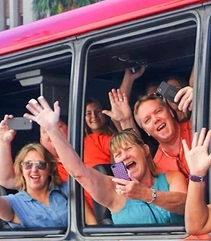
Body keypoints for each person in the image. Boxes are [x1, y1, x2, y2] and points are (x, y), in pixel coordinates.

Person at [25, 97, 187, 226]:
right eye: (118, 154)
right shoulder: (113, 189)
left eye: (128, 149)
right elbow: (79, 172)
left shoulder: (172, 178)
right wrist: (53, 130)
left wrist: (145, 194)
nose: (124, 156)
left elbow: (187, 206)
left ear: (145, 150)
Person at [107, 81, 211, 177]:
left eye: (158, 111)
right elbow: (127, 176)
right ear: (146, 131)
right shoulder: (156, 164)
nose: (155, 119)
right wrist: (124, 121)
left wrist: (205, 100)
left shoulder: (200, 126)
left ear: (171, 112)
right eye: (147, 120)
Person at [83, 98, 117, 166]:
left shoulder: (117, 135)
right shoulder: (85, 142)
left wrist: (120, 173)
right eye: (89, 113)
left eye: (98, 111)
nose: (94, 116)